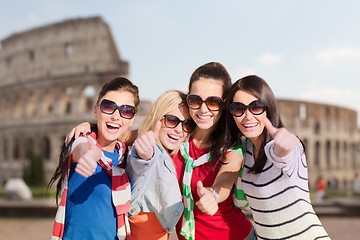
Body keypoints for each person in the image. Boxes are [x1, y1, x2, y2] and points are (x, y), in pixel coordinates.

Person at [218, 75, 330, 239]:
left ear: (268, 107)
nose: (248, 116)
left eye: (256, 107)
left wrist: (283, 148)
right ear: (231, 114)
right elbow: (242, 203)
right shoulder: (245, 153)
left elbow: (283, 155)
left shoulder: (287, 148)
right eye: (238, 108)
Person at [48, 77, 140, 240]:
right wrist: (91, 154)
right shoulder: (81, 141)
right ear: (96, 110)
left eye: (126, 110)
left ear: (132, 119)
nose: (116, 115)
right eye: (108, 106)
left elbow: (151, 133)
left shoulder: (124, 156)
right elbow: (81, 149)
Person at [172, 62, 256, 240]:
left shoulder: (232, 147)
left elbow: (226, 178)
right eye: (195, 100)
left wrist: (213, 194)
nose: (203, 109)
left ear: (224, 105)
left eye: (213, 101)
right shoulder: (177, 136)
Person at [126, 90, 195, 240]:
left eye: (187, 124)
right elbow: (144, 162)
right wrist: (145, 152)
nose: (179, 129)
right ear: (157, 117)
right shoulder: (152, 149)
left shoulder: (176, 154)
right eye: (171, 120)